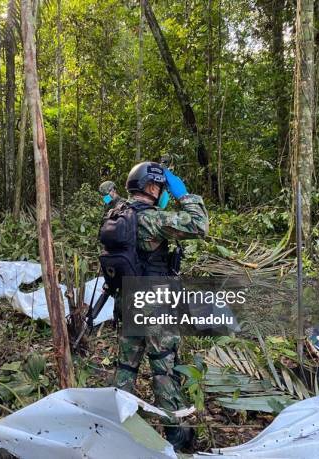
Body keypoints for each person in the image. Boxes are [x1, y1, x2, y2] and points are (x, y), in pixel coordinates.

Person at [113, 162, 208, 450]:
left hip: (128, 297)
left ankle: (117, 421)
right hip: (154, 301)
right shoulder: (153, 219)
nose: (162, 192)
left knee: (126, 366)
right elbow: (199, 225)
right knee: (163, 366)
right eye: (160, 187)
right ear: (151, 187)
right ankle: (176, 435)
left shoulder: (118, 213)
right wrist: (183, 195)